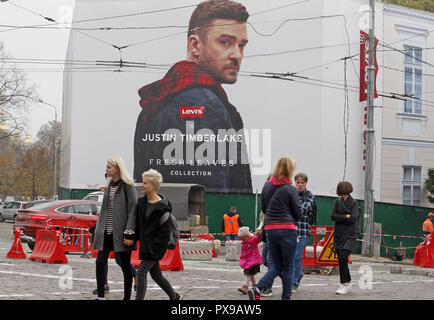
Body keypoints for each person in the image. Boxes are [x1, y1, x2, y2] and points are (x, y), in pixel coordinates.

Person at [134, 0, 252, 194]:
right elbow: (209, 200)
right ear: (195, 45)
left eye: (242, 45)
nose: (237, 55)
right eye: (225, 42)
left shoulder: (160, 100)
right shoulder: (204, 106)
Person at [248, 157, 303, 300]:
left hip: (270, 230)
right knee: (288, 266)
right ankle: (286, 298)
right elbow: (298, 214)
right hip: (287, 230)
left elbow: (264, 209)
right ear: (290, 170)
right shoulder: (290, 188)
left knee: (277, 265)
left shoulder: (267, 185)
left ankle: (258, 288)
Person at [93, 156, 137, 300]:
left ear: (118, 168)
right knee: (100, 261)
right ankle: (100, 296)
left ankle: (126, 297)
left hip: (122, 232)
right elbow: (106, 209)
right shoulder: (109, 186)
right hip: (106, 231)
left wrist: (129, 232)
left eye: (109, 167)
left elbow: (133, 210)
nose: (106, 170)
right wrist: (99, 228)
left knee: (124, 265)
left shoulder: (128, 186)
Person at [135, 169, 182, 300]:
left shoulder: (163, 207)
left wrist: (154, 248)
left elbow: (164, 234)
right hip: (145, 245)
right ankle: (175, 297)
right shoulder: (141, 203)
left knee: (141, 271)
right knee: (156, 275)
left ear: (154, 186)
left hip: (155, 248)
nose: (142, 185)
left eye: (145, 183)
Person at [330, 181, 359, 295]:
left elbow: (353, 218)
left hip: (350, 235)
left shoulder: (354, 203)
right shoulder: (337, 202)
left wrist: (341, 217)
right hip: (338, 234)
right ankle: (349, 281)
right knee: (341, 259)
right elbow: (333, 216)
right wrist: (345, 216)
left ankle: (342, 285)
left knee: (342, 258)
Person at [292, 173, 316, 293]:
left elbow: (303, 209)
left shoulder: (310, 196)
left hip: (303, 231)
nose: (300, 185)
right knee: (289, 257)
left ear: (306, 183)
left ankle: (294, 283)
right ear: (295, 182)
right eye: (298, 182)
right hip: (290, 231)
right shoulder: (290, 193)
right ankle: (298, 273)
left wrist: (292, 207)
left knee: (297, 257)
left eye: (302, 183)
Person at [237, 227, 262, 295]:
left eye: (242, 238)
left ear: (247, 236)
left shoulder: (253, 240)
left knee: (247, 274)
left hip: (252, 261)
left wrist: (259, 234)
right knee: (251, 275)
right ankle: (255, 287)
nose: (242, 240)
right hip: (247, 261)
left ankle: (245, 287)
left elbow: (259, 238)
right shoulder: (244, 242)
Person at [256, 211, 273, 297]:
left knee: (270, 262)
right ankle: (285, 275)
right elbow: (263, 219)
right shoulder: (265, 204)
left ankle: (267, 288)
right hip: (266, 234)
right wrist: (259, 228)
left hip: (274, 233)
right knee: (265, 261)